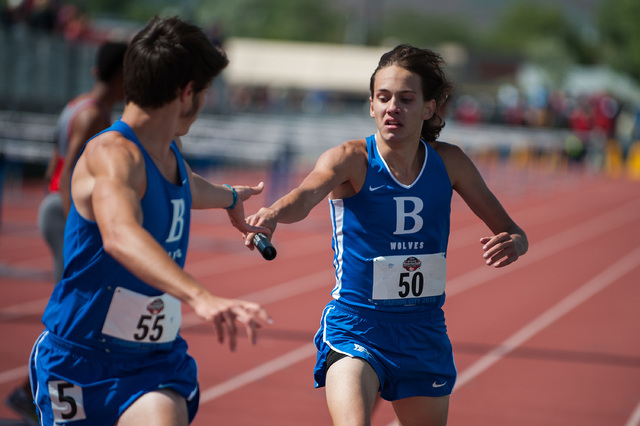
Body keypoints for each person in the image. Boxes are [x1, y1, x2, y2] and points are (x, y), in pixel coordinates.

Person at [243, 44, 528, 426]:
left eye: (406, 99)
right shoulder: (350, 159)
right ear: (372, 106)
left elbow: (511, 230)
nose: (393, 107)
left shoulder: (450, 163)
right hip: (356, 326)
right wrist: (274, 213)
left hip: (423, 330)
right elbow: (304, 196)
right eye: (384, 98)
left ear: (429, 108)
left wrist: (516, 243)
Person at [29, 15, 272, 426]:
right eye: (206, 91)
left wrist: (231, 197)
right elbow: (120, 235)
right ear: (186, 92)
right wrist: (201, 297)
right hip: (79, 360)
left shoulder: (167, 151)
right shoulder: (113, 155)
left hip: (152, 363)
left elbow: (185, 187)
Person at [5, 40, 128, 426]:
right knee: (76, 306)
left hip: (54, 205)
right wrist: (78, 220)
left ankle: (37, 389)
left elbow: (51, 166)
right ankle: (35, 391)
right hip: (64, 211)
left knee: (78, 305)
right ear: (123, 76)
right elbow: (72, 167)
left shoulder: (75, 104)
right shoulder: (95, 115)